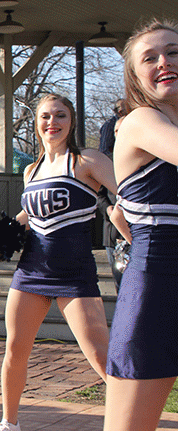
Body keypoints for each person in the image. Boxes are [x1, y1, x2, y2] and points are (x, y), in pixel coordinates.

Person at [3, 20, 178, 431]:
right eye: (151, 57)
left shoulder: (90, 159)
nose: (165, 62)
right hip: (156, 293)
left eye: (174, 51)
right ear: (134, 75)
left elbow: (122, 209)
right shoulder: (140, 122)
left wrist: (127, 223)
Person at [96, 99, 129, 291]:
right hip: (113, 234)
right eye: (116, 132)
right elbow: (99, 194)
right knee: (120, 283)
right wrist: (108, 209)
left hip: (139, 233)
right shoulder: (106, 162)